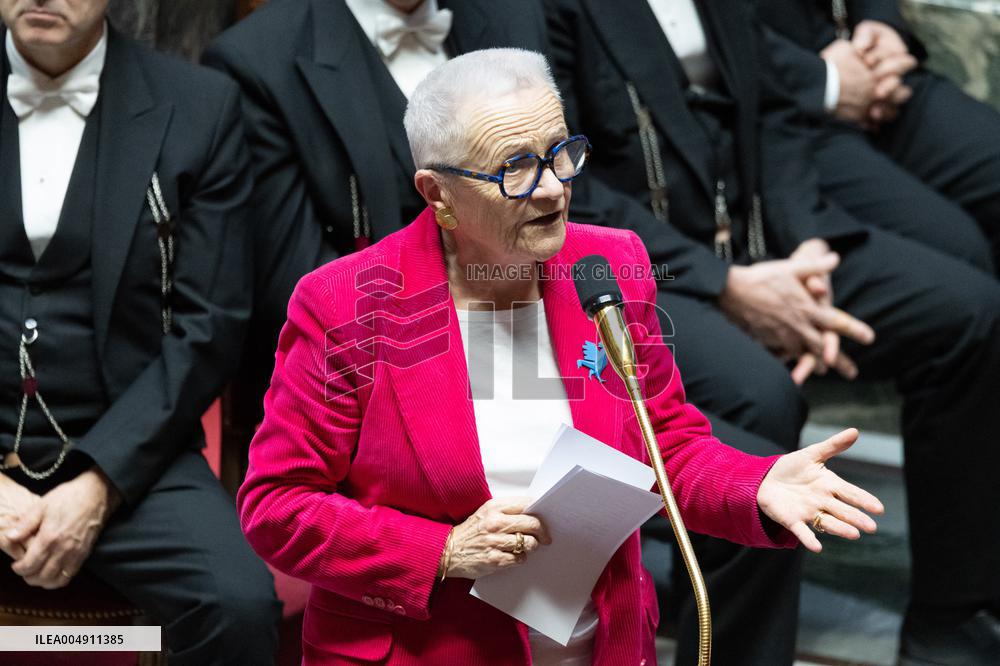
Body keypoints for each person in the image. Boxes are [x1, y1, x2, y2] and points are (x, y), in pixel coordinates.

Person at [237, 48, 884, 665]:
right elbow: (277, 504)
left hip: (600, 644)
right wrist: (443, 550)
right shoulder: (346, 306)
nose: (553, 189)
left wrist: (755, 482)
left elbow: (662, 443)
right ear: (437, 194)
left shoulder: (612, 266)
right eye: (514, 168)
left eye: (562, 154)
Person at [543, 1, 1000, 663]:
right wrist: (727, 285)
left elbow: (776, 110)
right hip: (662, 264)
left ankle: (949, 614)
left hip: (770, 235)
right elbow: (581, 191)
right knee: (761, 398)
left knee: (969, 314)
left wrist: (805, 247)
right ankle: (713, 624)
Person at [0, 1, 279, 663]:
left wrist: (101, 484)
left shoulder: (199, 107)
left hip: (134, 449)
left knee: (238, 603)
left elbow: (211, 324)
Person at [202, 0, 552, 438]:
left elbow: (565, 187)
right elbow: (296, 283)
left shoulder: (513, 15)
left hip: (541, 322)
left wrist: (661, 271)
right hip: (379, 370)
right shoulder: (256, 60)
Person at [757, 0, 1000, 276]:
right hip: (777, 115)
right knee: (961, 253)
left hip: (878, 69)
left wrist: (881, 24)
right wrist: (826, 80)